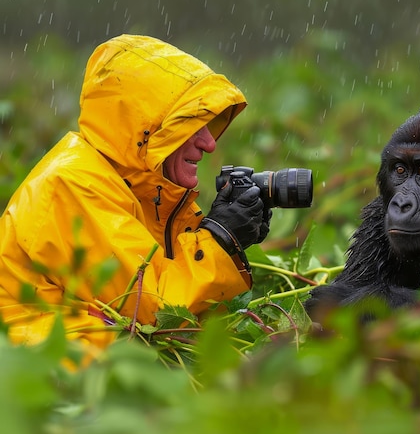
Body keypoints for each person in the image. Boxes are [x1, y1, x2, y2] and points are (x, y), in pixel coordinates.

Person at [0, 34, 270, 360]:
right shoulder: (73, 184)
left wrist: (230, 240)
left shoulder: (146, 188)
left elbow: (179, 314)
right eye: (189, 126)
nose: (209, 143)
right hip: (42, 378)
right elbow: (153, 310)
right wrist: (219, 239)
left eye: (209, 125)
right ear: (144, 129)